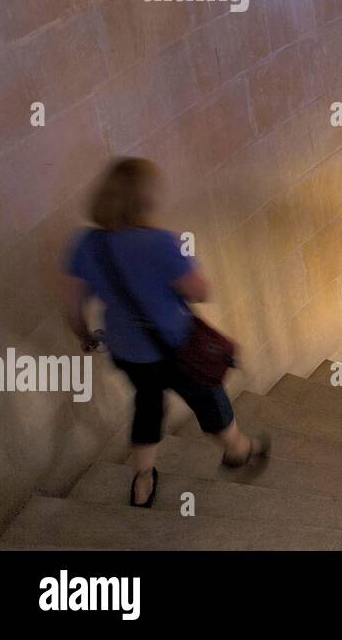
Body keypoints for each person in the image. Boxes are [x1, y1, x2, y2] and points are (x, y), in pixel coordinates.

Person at [62, 158, 268, 508]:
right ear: (144, 200)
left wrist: (85, 334)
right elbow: (200, 292)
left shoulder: (86, 244)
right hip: (174, 347)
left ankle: (143, 479)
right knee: (208, 395)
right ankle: (237, 449)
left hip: (127, 349)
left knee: (148, 403)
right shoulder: (160, 243)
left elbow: (72, 304)